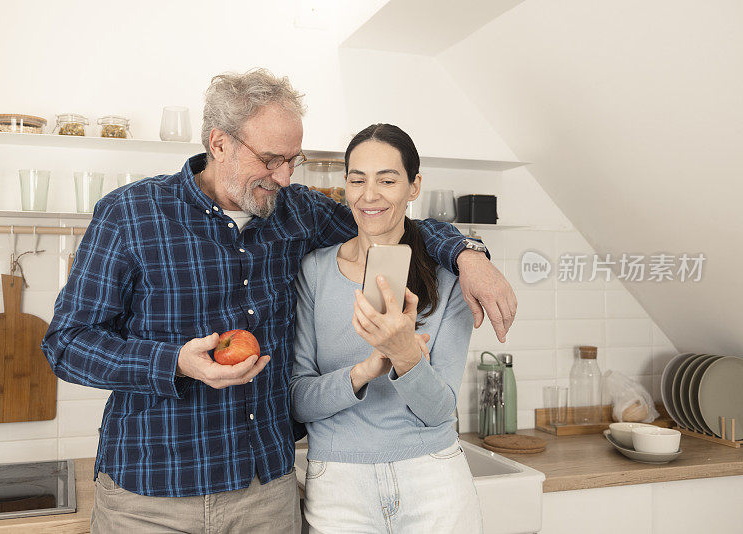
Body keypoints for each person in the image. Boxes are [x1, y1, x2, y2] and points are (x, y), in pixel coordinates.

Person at [42, 69, 512, 533]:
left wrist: (468, 254)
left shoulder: (297, 211)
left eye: (294, 160)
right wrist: (175, 362)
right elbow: (66, 344)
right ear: (219, 143)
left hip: (265, 493)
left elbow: (385, 219)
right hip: (149, 493)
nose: (284, 177)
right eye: (270, 160)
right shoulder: (130, 214)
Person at [291, 123, 483, 533]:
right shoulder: (315, 271)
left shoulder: (449, 279)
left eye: (388, 180)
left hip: (433, 480)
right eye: (357, 180)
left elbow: (438, 412)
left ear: (414, 187)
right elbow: (299, 402)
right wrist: (366, 370)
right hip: (339, 485)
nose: (369, 194)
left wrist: (406, 356)